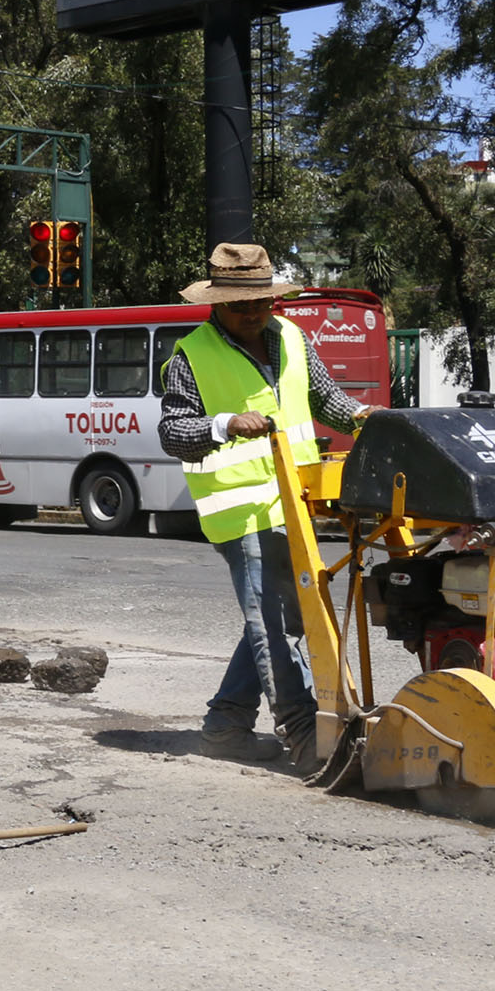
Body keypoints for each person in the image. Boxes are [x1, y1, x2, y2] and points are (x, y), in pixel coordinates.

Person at [158, 242, 369, 772]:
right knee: (273, 624)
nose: (252, 312)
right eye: (239, 305)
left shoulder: (292, 338)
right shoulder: (190, 356)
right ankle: (303, 734)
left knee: (277, 619)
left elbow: (328, 401)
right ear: (216, 303)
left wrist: (365, 417)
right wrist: (224, 424)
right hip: (242, 514)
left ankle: (226, 728)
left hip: (296, 506)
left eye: (260, 302)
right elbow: (174, 433)